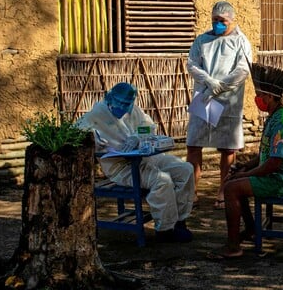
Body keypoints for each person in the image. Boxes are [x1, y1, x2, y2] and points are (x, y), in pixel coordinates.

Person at [76, 82, 195, 243]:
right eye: (122, 104)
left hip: (146, 156)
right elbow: (77, 133)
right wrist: (95, 140)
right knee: (162, 181)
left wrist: (137, 136)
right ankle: (165, 229)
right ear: (110, 99)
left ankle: (179, 221)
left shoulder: (133, 110)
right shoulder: (95, 116)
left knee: (185, 169)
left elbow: (147, 125)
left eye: (128, 104)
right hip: (121, 166)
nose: (125, 108)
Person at [208, 63, 283, 259]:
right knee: (233, 181)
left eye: (260, 95)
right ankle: (251, 229)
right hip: (276, 174)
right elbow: (266, 154)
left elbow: (274, 163)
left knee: (232, 189)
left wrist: (247, 174)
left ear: (270, 97)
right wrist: (244, 166)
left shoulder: (282, 120)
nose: (257, 99)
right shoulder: (274, 116)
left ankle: (233, 247)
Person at [186, 0, 253, 209]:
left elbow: (242, 70)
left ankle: (223, 191)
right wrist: (208, 82)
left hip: (227, 102)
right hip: (204, 98)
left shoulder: (241, 41)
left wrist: (221, 86)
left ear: (232, 21)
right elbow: (192, 64)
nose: (218, 24)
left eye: (222, 20)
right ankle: (191, 191)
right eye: (214, 20)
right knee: (193, 144)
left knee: (227, 149)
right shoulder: (202, 41)